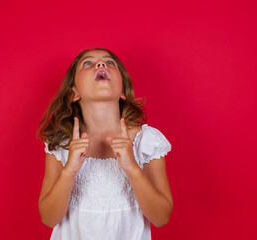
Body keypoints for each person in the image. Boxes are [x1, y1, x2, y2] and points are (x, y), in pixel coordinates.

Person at [37, 48, 173, 240]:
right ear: (73, 93)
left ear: (123, 92)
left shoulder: (146, 141)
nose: (100, 64)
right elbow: (49, 218)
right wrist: (69, 171)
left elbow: (161, 217)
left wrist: (132, 168)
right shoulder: (61, 144)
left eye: (110, 63)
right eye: (87, 63)